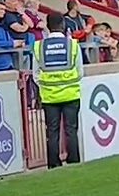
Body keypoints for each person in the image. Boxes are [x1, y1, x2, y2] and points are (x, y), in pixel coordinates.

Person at [33, 12, 83, 169]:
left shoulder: (39, 46)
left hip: (49, 96)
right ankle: (73, 160)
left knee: (52, 131)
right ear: (63, 25)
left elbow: (35, 74)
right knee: (71, 130)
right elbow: (80, 71)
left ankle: (53, 164)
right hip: (70, 93)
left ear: (48, 26)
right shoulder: (72, 45)